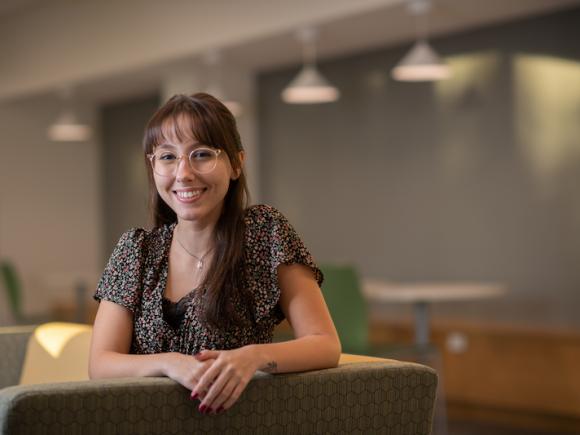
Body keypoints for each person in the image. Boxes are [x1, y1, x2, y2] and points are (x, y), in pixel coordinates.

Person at [89, 93, 341, 415]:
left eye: (202, 154)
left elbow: (325, 344)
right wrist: (170, 364)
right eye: (167, 157)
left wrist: (254, 356)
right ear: (153, 167)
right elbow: (100, 364)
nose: (183, 173)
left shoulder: (264, 233)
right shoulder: (135, 251)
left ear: (236, 163)